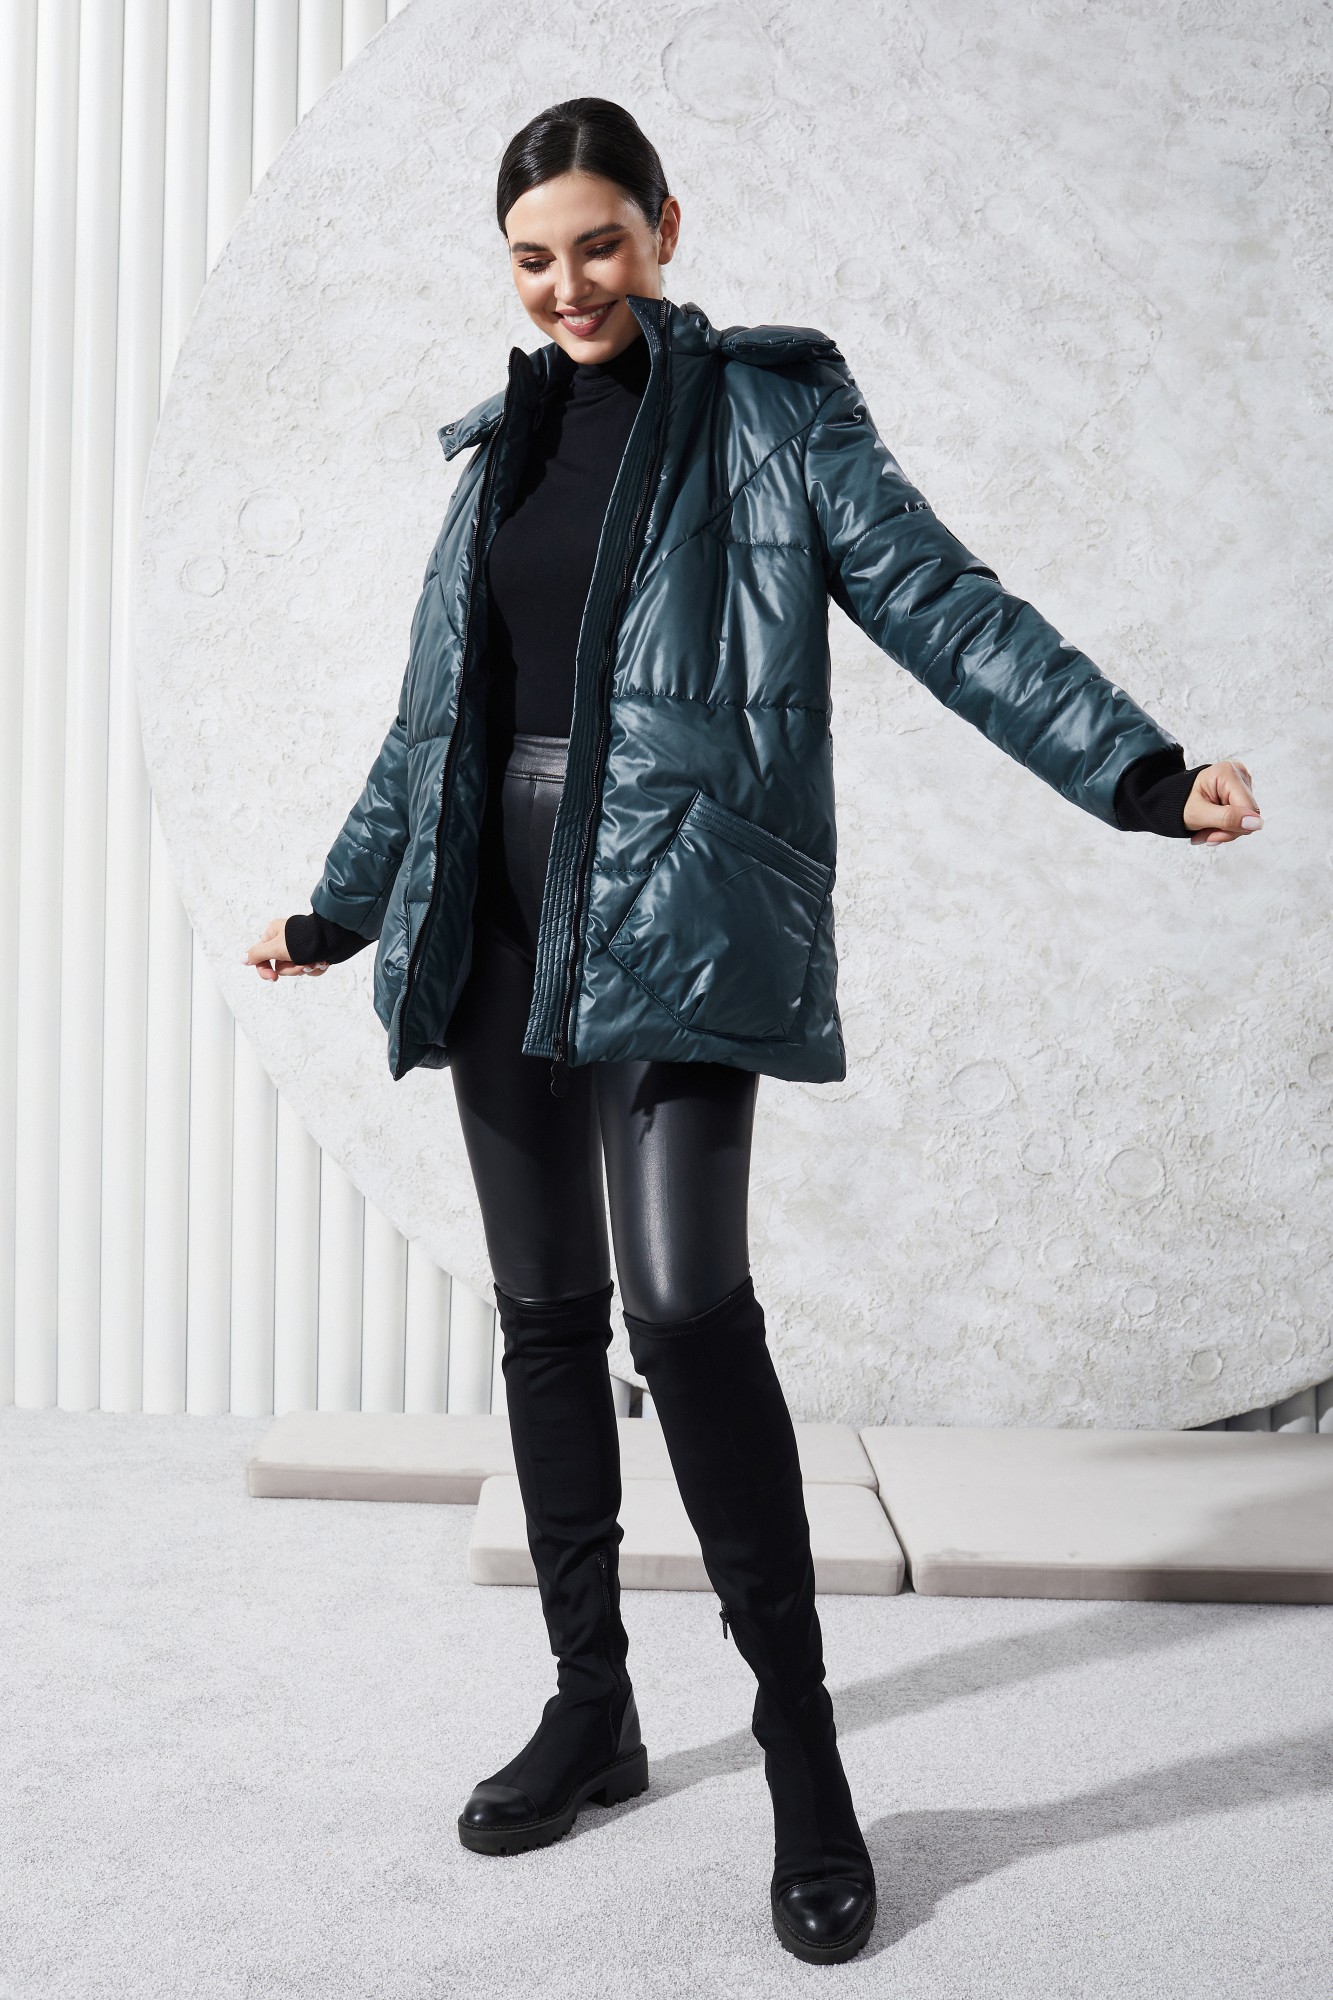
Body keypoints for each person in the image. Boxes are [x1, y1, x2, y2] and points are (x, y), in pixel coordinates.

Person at [244, 98, 1262, 1965]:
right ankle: (593, 1709)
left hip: (682, 916)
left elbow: (944, 605)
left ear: (665, 227)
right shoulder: (495, 453)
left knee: (686, 1313)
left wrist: (1135, 771)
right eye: (532, 258)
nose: (568, 286)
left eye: (599, 244)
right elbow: (431, 721)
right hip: (495, 919)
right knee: (543, 1314)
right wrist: (344, 903)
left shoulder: (775, 420)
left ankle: (803, 1760)